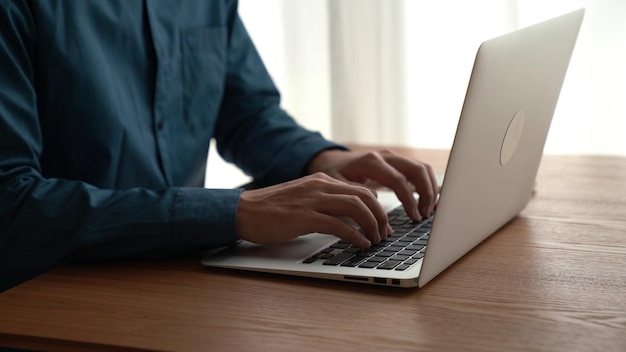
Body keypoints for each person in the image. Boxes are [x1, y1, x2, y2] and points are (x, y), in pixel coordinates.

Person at [0, 0, 438, 291]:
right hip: (50, 297)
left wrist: (322, 159)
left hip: (178, 279)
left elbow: (246, 114)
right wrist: (236, 212)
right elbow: (10, 204)